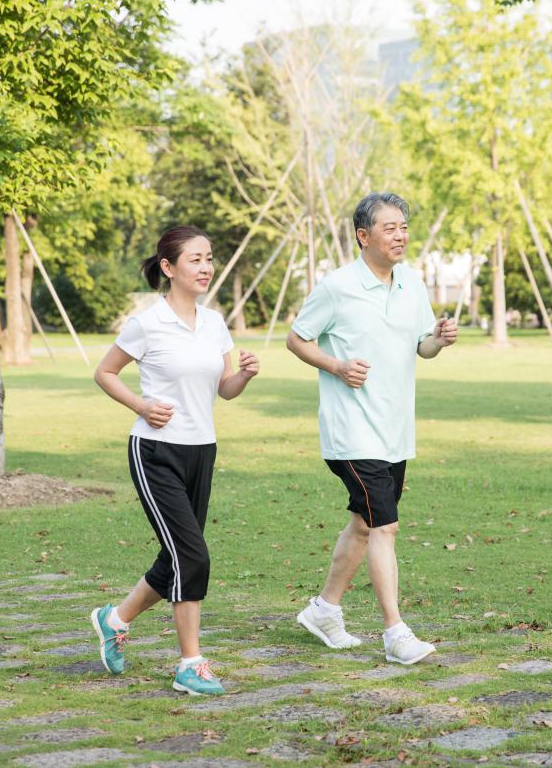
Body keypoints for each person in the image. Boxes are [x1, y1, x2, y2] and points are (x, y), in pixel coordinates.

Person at [286, 192, 458, 665]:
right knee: (386, 526)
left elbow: (420, 347)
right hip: (351, 431)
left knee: (364, 524)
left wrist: (438, 340)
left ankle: (324, 610)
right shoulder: (337, 286)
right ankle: (395, 634)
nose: (400, 234)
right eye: (390, 227)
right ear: (364, 236)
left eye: (403, 226)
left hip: (395, 428)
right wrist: (337, 366)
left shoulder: (412, 283)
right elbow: (296, 339)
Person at [90, 226, 258, 696]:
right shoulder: (147, 323)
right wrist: (141, 406)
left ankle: (115, 619)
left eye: (209, 259)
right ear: (168, 268)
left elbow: (224, 389)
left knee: (177, 558)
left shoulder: (215, 322)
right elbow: (105, 372)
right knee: (192, 556)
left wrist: (243, 374)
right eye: (196, 260)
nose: (206, 267)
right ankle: (190, 663)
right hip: (155, 452)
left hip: (201, 450)